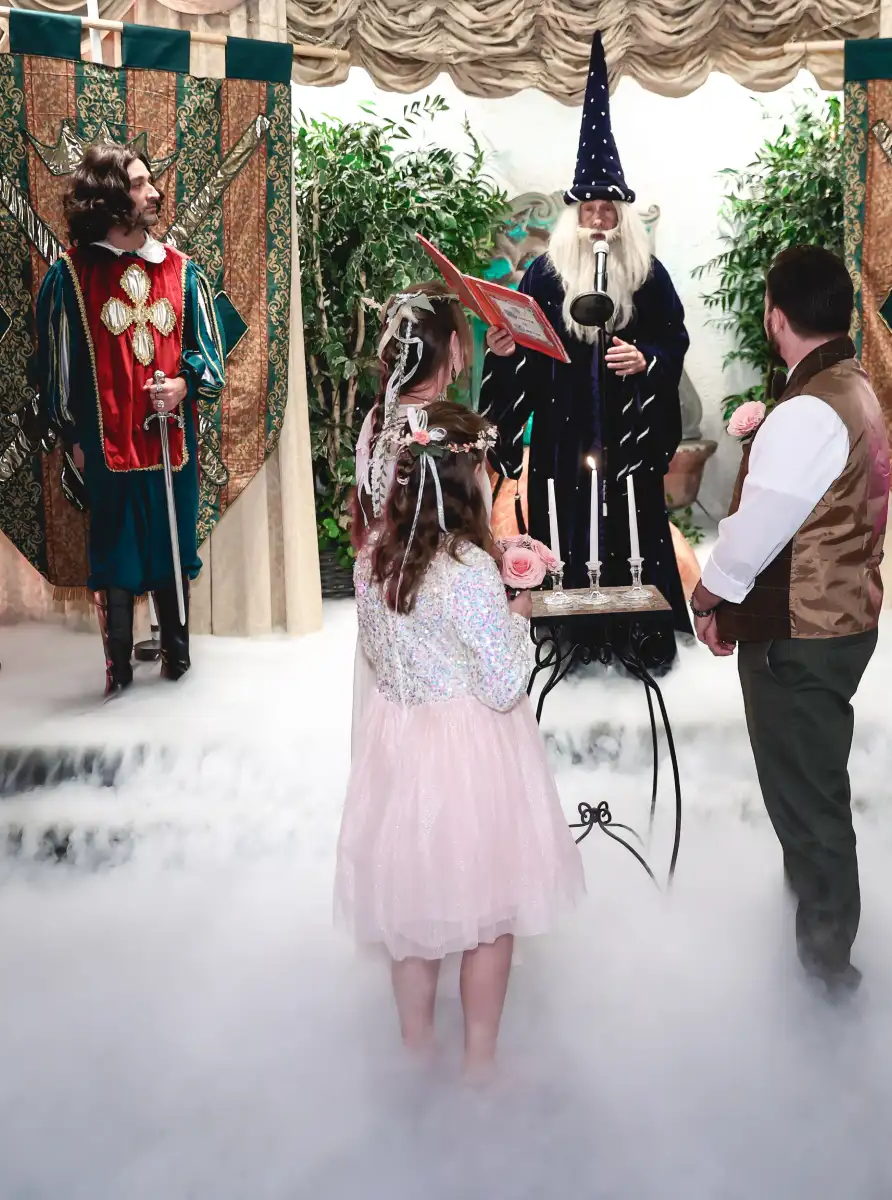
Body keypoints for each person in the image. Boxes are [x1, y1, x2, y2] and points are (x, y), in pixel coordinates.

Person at [336, 398, 585, 1081]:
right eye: (481, 465)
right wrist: (521, 610)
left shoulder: (371, 564)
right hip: (470, 755)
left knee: (410, 918)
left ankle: (414, 1053)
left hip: (400, 749)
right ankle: (479, 1063)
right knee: (489, 914)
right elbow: (505, 682)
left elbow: (381, 656)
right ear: (462, 478)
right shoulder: (469, 574)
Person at [689, 246, 890, 1000]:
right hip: (841, 618)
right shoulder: (853, 388)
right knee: (813, 787)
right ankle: (815, 931)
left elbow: (755, 530)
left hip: (805, 634)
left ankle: (829, 968)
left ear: (776, 315)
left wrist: (707, 599)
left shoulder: (808, 409)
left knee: (808, 801)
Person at [480, 32, 691, 662]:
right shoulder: (544, 274)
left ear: (622, 214)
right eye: (590, 208)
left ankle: (638, 636)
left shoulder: (647, 273)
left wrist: (647, 360)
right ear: (574, 215)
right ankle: (572, 636)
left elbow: (672, 337)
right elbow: (525, 346)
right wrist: (504, 350)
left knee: (633, 525)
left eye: (609, 208)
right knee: (565, 526)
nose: (599, 218)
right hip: (564, 436)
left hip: (628, 432)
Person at [34, 142, 226, 696]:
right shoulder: (70, 276)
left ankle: (178, 661)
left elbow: (209, 357)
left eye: (149, 182)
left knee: (171, 545)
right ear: (112, 198)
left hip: (171, 444)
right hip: (106, 446)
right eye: (140, 184)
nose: (154, 192)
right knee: (115, 555)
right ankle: (117, 674)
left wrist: (184, 383)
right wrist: (73, 437)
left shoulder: (182, 273)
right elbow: (58, 368)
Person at [348, 283, 472, 759]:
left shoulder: (379, 417)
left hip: (384, 590)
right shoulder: (443, 427)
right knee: (441, 752)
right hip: (434, 606)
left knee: (392, 743)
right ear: (454, 348)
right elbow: (463, 525)